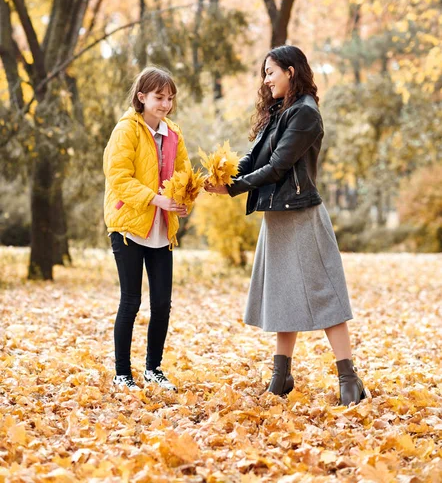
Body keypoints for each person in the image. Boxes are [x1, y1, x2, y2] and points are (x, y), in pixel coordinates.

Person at [205, 46, 367, 406]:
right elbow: (254, 158)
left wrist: (233, 189)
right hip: (277, 216)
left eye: (270, 72)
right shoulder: (280, 111)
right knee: (282, 296)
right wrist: (223, 174)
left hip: (302, 215)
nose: (266, 79)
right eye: (264, 73)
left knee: (325, 294)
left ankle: (348, 379)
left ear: (291, 71)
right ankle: (281, 376)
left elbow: (278, 167)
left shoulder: (306, 114)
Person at [103, 66, 189, 391]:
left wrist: (182, 200)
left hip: (161, 229)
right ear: (142, 97)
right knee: (131, 301)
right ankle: (122, 374)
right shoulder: (126, 130)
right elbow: (119, 178)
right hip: (129, 226)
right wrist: (155, 199)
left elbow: (182, 176)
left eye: (169, 98)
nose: (165, 104)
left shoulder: (174, 134)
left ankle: (153, 369)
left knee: (162, 303)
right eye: (158, 97)